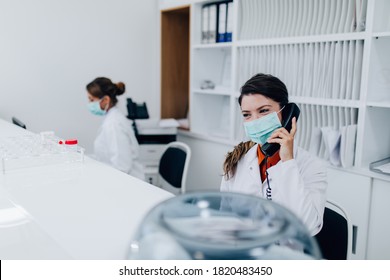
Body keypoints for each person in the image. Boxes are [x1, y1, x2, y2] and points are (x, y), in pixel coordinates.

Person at [220, 73, 327, 236]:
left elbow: (308, 227)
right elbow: (224, 217)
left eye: (263, 111)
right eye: (246, 114)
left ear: (287, 113)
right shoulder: (237, 161)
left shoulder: (311, 166)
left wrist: (287, 163)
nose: (254, 120)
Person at [86, 77, 145, 180]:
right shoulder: (112, 119)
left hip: (129, 184)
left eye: (91, 100)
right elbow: (105, 157)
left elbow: (122, 167)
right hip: (119, 179)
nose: (89, 104)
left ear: (105, 100)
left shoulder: (114, 124)